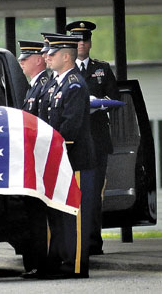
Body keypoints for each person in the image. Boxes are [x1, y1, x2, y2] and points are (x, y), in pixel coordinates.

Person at [66, 20, 120, 255]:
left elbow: (115, 99)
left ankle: (93, 242)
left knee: (94, 194)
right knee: (72, 193)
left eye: (84, 40)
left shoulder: (102, 69)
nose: (80, 44)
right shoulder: (65, 71)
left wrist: (100, 105)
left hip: (97, 139)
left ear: (89, 43)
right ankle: (73, 240)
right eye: (76, 40)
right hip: (74, 141)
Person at [44, 34, 95, 278]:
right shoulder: (56, 83)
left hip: (75, 159)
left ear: (66, 56)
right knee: (60, 214)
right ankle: (62, 258)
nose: (47, 57)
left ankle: (75, 264)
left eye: (52, 54)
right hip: (61, 158)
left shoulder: (74, 84)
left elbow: (70, 126)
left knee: (74, 214)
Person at [16, 39, 50, 279]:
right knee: (32, 215)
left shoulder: (45, 85)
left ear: (39, 60)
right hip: (32, 160)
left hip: (40, 160)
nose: (21, 62)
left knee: (41, 216)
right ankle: (36, 262)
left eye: (25, 58)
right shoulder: (32, 87)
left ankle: (43, 262)